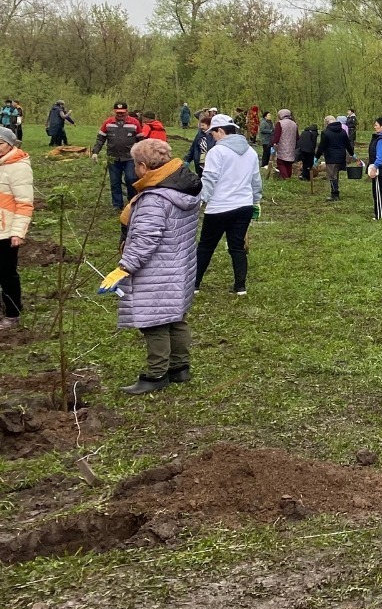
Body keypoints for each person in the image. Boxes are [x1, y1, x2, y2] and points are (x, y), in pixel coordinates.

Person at [97, 138, 202, 394]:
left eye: (136, 164)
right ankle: (180, 367)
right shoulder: (183, 186)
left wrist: (124, 268)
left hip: (158, 270)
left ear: (144, 166)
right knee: (175, 317)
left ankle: (156, 375)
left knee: (153, 321)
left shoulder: (154, 199)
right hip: (180, 265)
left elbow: (145, 240)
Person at [194, 114, 260, 296]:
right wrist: (255, 201)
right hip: (244, 206)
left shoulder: (217, 152)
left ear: (221, 131)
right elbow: (256, 180)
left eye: (212, 133)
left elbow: (209, 178)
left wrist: (201, 200)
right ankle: (240, 287)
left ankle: (194, 285)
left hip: (219, 207)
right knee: (237, 246)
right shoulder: (251, 152)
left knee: (206, 246)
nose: (211, 136)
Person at [0, 127, 34, 331]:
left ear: (11, 144)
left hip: (6, 231)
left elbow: (24, 203)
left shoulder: (18, 167)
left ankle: (13, 313)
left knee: (6, 273)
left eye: (0, 144)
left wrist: (18, 232)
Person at [93, 104, 144, 210]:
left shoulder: (135, 123)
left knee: (131, 179)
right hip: (113, 158)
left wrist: (143, 155)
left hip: (130, 158)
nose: (120, 114)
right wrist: (95, 152)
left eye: (122, 112)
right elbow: (100, 139)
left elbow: (141, 140)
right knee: (115, 181)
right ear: (114, 112)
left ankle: (132, 201)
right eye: (118, 112)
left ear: (127, 111)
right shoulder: (108, 123)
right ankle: (117, 205)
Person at [317, 115, 354, 201]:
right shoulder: (343, 131)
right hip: (341, 156)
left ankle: (335, 194)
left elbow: (322, 146)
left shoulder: (325, 132)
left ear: (326, 123)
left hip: (330, 157)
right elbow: (347, 144)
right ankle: (335, 191)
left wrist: (317, 156)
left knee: (332, 176)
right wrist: (352, 153)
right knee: (336, 175)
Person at [183, 108, 215, 175]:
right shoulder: (199, 135)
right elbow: (193, 147)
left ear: (209, 126)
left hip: (211, 166)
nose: (201, 127)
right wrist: (188, 160)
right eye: (201, 125)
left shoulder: (214, 136)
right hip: (199, 164)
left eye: (203, 125)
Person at [271, 109, 298, 180]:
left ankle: (285, 177)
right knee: (289, 162)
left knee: (280, 162)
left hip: (282, 145)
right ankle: (288, 176)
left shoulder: (280, 123)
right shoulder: (294, 124)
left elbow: (277, 135)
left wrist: (273, 143)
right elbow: (297, 136)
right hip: (292, 145)